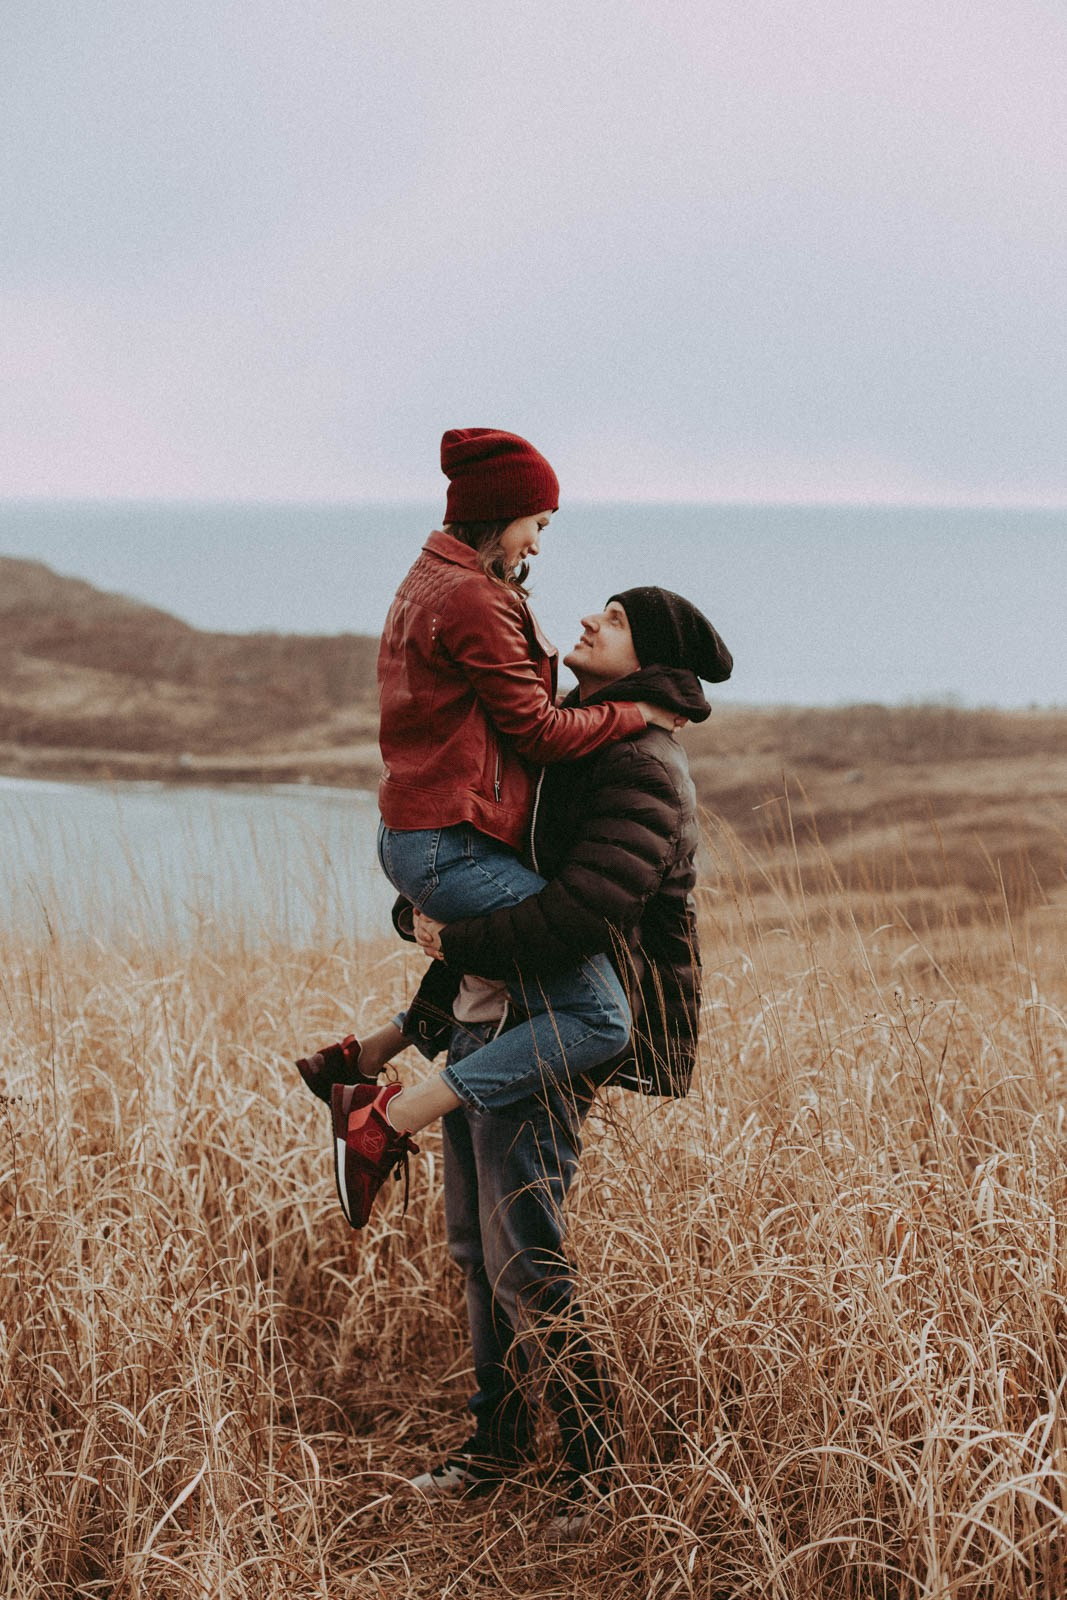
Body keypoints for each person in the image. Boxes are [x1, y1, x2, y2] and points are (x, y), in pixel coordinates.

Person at [299, 584, 732, 1531]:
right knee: (475, 1249)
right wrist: (426, 915)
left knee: (524, 1257)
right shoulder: (574, 740)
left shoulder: (643, 768)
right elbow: (483, 863)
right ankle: (494, 1448)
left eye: (612, 620)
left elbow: (582, 911)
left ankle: (589, 1467)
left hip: (552, 1036)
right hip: (496, 1020)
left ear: (651, 654)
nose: (585, 621)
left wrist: (454, 942)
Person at [298, 428, 677, 1228]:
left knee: (507, 953)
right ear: (501, 513)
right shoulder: (470, 596)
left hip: (424, 831)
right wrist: (635, 710)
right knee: (598, 1016)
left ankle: (364, 1060)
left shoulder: (438, 577)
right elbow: (538, 730)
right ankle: (383, 1119)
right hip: (446, 838)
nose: (540, 538)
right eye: (536, 521)